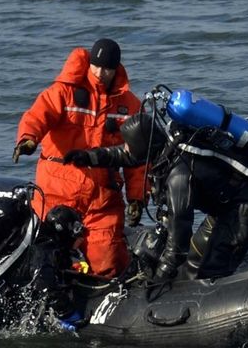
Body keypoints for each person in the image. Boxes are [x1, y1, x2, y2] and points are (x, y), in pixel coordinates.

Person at [64, 112, 248, 282]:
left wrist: (161, 275)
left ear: (143, 146)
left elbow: (179, 237)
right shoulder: (167, 143)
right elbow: (126, 155)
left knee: (211, 273)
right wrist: (90, 156)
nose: (125, 147)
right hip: (224, 208)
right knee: (194, 263)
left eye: (128, 144)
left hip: (243, 210)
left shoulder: (178, 177)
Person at [12, 39, 147, 278]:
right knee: (47, 257)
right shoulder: (64, 92)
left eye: (106, 68)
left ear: (117, 68)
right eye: (96, 66)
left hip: (102, 197)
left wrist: (137, 196)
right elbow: (38, 116)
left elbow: (138, 157)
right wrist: (28, 139)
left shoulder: (130, 106)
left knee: (107, 259)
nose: (100, 73)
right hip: (57, 191)